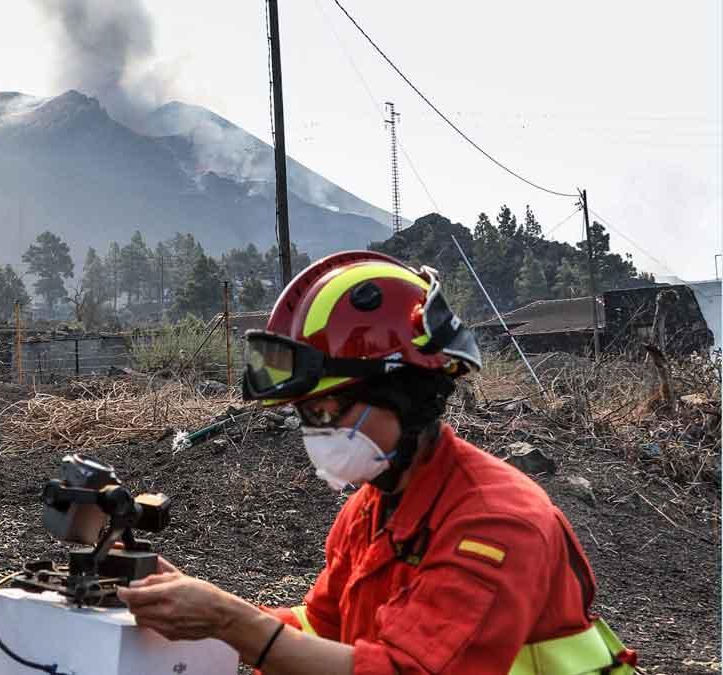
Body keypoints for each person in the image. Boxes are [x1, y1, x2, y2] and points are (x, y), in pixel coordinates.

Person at [117, 251, 636, 674]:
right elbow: (321, 633)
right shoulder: (373, 508)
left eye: (328, 408)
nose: (316, 431)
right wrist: (200, 610)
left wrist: (232, 624)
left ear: (404, 396)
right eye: (306, 414)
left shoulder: (496, 522)